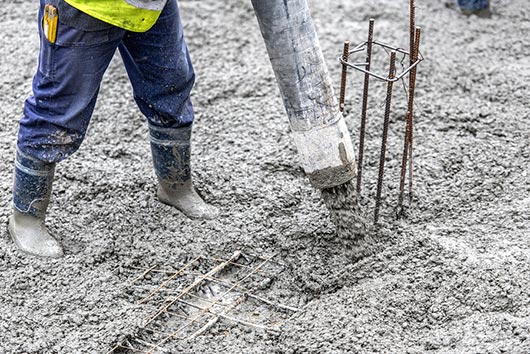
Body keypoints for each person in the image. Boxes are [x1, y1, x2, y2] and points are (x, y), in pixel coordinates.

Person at [9, 0, 219, 258]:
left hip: (151, 7)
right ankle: (27, 218)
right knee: (58, 111)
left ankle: (176, 187)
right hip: (87, 7)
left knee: (170, 88)